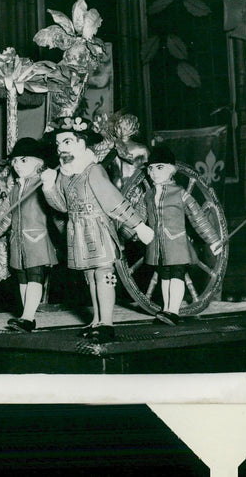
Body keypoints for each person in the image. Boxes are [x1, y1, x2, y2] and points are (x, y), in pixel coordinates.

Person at [40, 116, 155, 342]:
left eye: (66, 142)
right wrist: (49, 186)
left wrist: (138, 224)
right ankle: (96, 321)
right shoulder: (66, 175)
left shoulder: (93, 171)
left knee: (103, 276)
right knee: (90, 277)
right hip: (78, 232)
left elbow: (112, 200)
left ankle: (107, 323)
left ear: (82, 144)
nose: (60, 149)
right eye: (58, 144)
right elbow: (62, 206)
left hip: (97, 229)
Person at [135, 144, 223, 325]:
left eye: (159, 168)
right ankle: (166, 310)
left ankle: (173, 311)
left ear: (171, 170)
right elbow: (136, 219)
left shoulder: (180, 194)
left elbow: (198, 217)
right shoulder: (148, 196)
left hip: (176, 245)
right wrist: (128, 233)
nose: (153, 173)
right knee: (164, 276)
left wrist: (213, 240)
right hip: (157, 246)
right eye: (151, 168)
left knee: (176, 276)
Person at [0, 137, 58, 332]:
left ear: (39, 162)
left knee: (34, 277)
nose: (17, 165)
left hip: (37, 241)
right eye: (14, 161)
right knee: (22, 279)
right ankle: (26, 316)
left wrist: (50, 184)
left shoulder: (43, 184)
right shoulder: (15, 189)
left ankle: (28, 317)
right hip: (18, 242)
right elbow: (3, 217)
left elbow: (58, 206)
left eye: (23, 160)